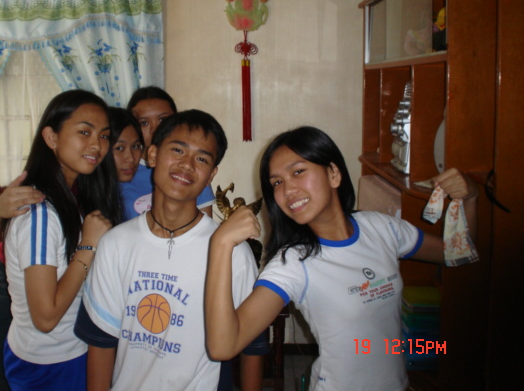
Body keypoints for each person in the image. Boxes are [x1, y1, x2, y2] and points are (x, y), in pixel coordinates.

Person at [204, 126, 479, 391]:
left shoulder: (382, 228)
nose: (287, 191)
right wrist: (220, 244)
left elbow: (457, 253)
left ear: (334, 174)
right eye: (277, 182)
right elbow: (222, 347)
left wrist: (470, 197)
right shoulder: (293, 264)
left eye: (298, 172)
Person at [74, 110, 268, 391]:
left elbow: (252, 346)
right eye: (178, 150)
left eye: (202, 159)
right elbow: (102, 342)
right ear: (153, 155)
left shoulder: (232, 252)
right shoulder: (115, 244)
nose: (187, 164)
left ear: (211, 175)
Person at [0, 105, 139, 390]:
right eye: (84, 132)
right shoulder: (42, 209)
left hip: (68, 341)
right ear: (51, 137)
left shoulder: (82, 186)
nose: (97, 145)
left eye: (103, 136)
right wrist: (89, 245)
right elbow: (46, 317)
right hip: (47, 352)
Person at [122, 86, 215, 218]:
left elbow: (206, 225)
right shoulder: (124, 170)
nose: (155, 129)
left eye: (163, 120)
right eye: (144, 123)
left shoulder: (190, 170)